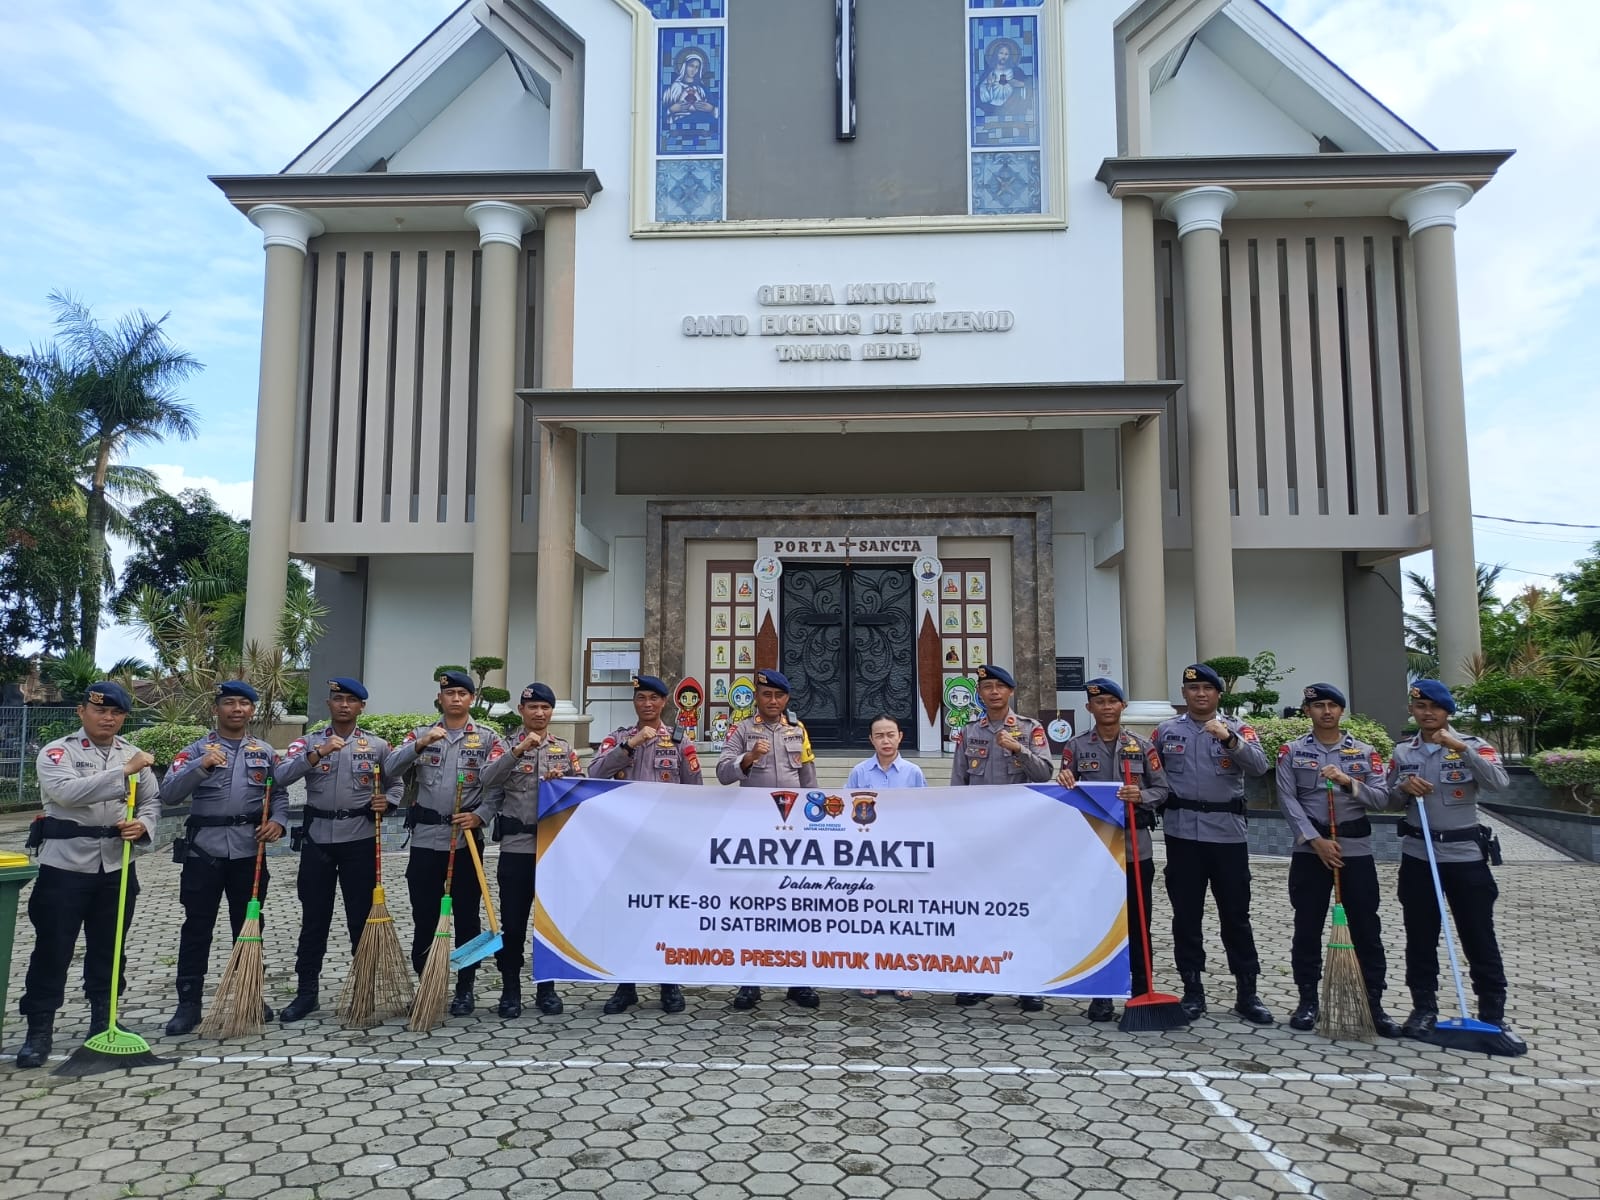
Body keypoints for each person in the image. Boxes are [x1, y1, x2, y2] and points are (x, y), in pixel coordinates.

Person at [16, 683, 161, 1068]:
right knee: (53, 948)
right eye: (100, 711)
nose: (108, 718)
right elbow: (64, 793)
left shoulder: (133, 754)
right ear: (82, 712)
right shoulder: (59, 751)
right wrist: (122, 773)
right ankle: (39, 1029)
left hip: (116, 865)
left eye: (116, 713)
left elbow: (151, 800)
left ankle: (104, 1022)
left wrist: (143, 825)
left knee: (110, 949)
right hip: (64, 866)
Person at [1386, 679, 1515, 1039]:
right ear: (1412, 710)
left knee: (1478, 934)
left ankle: (1492, 1012)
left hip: (1464, 857)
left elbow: (1499, 783)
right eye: (1420, 707)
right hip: (1419, 855)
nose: (1428, 714)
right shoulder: (1403, 753)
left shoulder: (1473, 746)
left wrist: (1460, 748)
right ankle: (1423, 1008)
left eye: (1435, 708)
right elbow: (1389, 800)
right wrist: (1402, 788)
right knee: (1420, 935)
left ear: (1448, 711)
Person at [160, 681, 288, 1034]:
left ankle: (250, 996)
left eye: (244, 703)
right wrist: (201, 766)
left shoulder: (264, 752)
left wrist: (278, 821)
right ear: (216, 708)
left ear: (252, 711)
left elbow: (278, 793)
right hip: (205, 853)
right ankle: (188, 1004)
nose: (236, 709)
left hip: (250, 853)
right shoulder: (195, 751)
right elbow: (169, 793)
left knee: (249, 929)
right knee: (197, 929)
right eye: (229, 703)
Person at [274, 678, 404, 1024]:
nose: (344, 705)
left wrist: (387, 802)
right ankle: (306, 992)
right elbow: (282, 776)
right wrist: (317, 755)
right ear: (328, 704)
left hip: (359, 838)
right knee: (314, 919)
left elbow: (396, 781)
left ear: (361, 707)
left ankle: (364, 990)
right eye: (337, 699)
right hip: (318, 838)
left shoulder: (376, 746)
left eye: (351, 700)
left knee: (361, 918)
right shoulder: (308, 742)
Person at [1275, 683, 1400, 1037]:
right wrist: (1315, 842)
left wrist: (1347, 782)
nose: (1326, 711)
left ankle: (1374, 1002)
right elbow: (1288, 800)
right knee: (1307, 925)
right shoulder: (1292, 751)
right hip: (1311, 851)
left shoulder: (1364, 752)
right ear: (1307, 712)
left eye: (1333, 705)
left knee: (1366, 927)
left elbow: (1382, 798)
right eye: (1318, 706)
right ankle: (1307, 1000)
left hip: (1354, 851)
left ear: (1342, 711)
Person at [1156, 663, 1274, 1025]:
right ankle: (1193, 991)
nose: (1200, 694)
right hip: (1182, 836)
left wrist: (1228, 739)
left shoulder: (1238, 728)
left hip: (1227, 836)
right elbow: (1150, 773)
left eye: (1208, 688)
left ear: (1219, 694)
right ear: (1184, 693)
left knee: (1235, 917)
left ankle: (1247, 993)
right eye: (1193, 689)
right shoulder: (1166, 731)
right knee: (1186, 918)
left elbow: (1259, 766)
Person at [384, 670, 507, 1017]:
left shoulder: (487, 738)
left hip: (465, 841)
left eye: (461, 693)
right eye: (449, 693)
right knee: (425, 917)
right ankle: (428, 985)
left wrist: (480, 816)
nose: (455, 698)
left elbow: (497, 787)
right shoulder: (421, 734)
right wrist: (419, 745)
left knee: (467, 917)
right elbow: (391, 768)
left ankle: (465, 987)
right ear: (440, 698)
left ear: (470, 699)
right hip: (425, 841)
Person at [1055, 677, 1169, 1023]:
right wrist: (1063, 782)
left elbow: (1163, 789)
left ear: (1122, 706)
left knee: (1138, 921)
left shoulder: (1142, 746)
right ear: (1089, 708)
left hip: (1135, 850)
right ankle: (1102, 993)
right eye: (1098, 702)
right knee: (1099, 924)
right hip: (1095, 854)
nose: (1105, 707)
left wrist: (1142, 796)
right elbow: (1064, 794)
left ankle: (1141, 987)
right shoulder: (1076, 748)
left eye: (1111, 701)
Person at [588, 674, 702, 1014]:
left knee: (666, 912)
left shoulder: (681, 741)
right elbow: (594, 774)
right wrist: (631, 745)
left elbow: (694, 790)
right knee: (626, 913)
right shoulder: (618, 738)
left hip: (664, 844)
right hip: (624, 843)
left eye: (654, 699)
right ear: (635, 703)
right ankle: (626, 985)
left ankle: (669, 982)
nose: (647, 704)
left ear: (664, 702)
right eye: (641, 699)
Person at [948, 664, 1053, 1011]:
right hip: (981, 837)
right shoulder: (968, 732)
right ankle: (981, 978)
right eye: (986, 687)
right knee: (979, 908)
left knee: (1022, 908)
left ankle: (1028, 981)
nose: (993, 692)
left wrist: (1018, 750)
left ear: (1010, 691)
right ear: (979, 693)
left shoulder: (1029, 729)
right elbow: (958, 786)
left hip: (1021, 836)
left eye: (999, 687)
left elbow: (1045, 775)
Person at [717, 668, 822, 1011]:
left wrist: (814, 827)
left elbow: (809, 782)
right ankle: (750, 982)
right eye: (766, 695)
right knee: (755, 906)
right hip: (756, 832)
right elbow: (721, 773)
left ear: (786, 698)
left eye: (778, 696)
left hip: (793, 832)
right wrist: (747, 759)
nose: (773, 701)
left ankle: (799, 980)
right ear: (757, 698)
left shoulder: (798, 730)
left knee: (794, 905)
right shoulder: (743, 730)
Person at [482, 682, 583, 1018]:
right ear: (522, 711)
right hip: (516, 848)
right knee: (513, 923)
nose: (540, 713)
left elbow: (580, 794)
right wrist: (520, 749)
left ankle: (547, 988)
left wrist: (562, 783)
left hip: (552, 850)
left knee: (548, 923)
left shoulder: (565, 750)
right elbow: (487, 779)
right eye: (533, 707)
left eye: (545, 707)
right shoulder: (504, 745)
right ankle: (510, 989)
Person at [849, 715, 925, 999]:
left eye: (890, 734)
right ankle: (869, 973)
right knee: (869, 916)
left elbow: (925, 810)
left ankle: (902, 974)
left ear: (900, 737)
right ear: (871, 739)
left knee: (901, 916)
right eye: (879, 735)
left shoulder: (913, 772)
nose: (885, 740)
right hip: (869, 855)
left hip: (902, 855)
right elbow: (848, 812)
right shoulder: (860, 772)